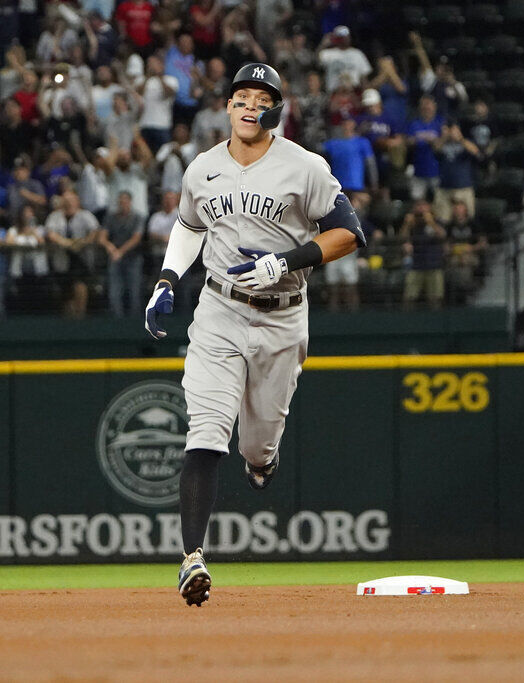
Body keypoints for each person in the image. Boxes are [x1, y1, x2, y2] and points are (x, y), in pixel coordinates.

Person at [142, 63, 364, 606]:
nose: (247, 104)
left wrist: (286, 261)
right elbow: (191, 226)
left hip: (283, 315)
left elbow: (348, 233)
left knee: (257, 441)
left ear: (275, 110)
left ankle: (262, 460)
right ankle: (192, 558)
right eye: (240, 95)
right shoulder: (202, 168)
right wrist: (168, 279)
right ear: (228, 106)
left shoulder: (304, 166)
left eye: (259, 97)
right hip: (218, 310)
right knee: (206, 431)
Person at [45, 189, 101, 317]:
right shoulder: (55, 216)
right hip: (62, 259)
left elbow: (95, 231)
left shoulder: (85, 215)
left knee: (80, 285)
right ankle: (69, 321)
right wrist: (67, 243)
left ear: (77, 201)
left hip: (81, 259)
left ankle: (80, 315)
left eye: (71, 200)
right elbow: (50, 234)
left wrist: (82, 243)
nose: (69, 203)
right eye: (66, 201)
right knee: (65, 293)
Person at [99, 190, 144, 316]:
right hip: (115, 258)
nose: (122, 203)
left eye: (125, 201)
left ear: (130, 202)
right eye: (121, 201)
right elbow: (102, 238)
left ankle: (135, 323)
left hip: (133, 257)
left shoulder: (137, 217)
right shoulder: (111, 217)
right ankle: (117, 321)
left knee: (134, 292)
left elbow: (136, 238)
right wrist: (111, 248)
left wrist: (120, 251)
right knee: (114, 292)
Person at [401, 199, 447, 309]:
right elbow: (402, 239)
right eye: (418, 206)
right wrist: (407, 225)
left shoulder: (436, 221)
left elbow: (442, 235)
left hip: (434, 263)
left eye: (424, 205)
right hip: (416, 264)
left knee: (435, 298)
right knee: (409, 297)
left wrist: (431, 222)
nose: (421, 208)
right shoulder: (412, 223)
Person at [432, 120, 480, 222]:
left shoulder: (466, 141)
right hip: (444, 188)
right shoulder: (440, 142)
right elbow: (435, 149)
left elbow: (476, 151)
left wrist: (460, 138)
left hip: (463, 187)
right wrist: (445, 137)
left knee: (467, 220)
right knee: (442, 220)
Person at [323, 116, 378, 195]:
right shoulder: (332, 144)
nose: (346, 125)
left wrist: (374, 183)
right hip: (337, 187)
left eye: (349, 123)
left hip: (356, 186)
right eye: (344, 123)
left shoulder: (362, 142)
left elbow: (370, 164)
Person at [406, 95, 443, 201]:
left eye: (428, 105)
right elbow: (407, 141)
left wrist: (434, 141)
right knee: (417, 201)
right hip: (418, 169)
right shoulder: (414, 124)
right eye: (424, 106)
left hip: (437, 169)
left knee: (438, 201)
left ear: (434, 106)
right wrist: (415, 140)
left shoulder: (440, 122)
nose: (426, 108)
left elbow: (441, 145)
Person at [317, 25, 372, 93]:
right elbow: (316, 61)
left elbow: (364, 77)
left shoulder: (357, 54)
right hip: (335, 93)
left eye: (347, 37)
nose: (345, 39)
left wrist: (365, 92)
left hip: (354, 92)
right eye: (341, 37)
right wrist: (323, 44)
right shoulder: (328, 53)